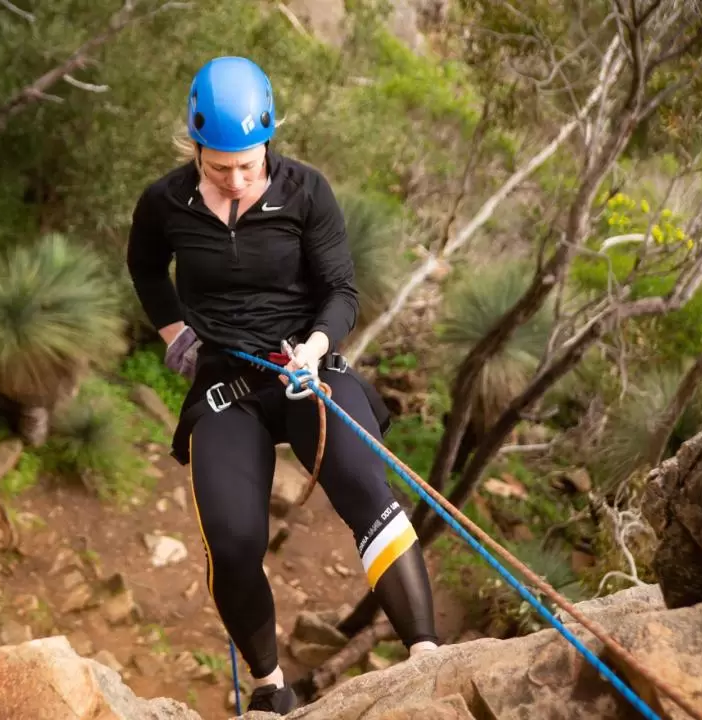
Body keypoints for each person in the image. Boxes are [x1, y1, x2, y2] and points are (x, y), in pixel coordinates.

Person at [126, 56, 439, 714]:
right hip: (224, 385)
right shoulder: (164, 203)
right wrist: (174, 334)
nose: (237, 179)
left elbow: (341, 292)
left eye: (248, 163)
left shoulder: (305, 193)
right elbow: (147, 270)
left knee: (365, 489)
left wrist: (318, 347)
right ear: (194, 148)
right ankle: (270, 687)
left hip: (306, 367)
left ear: (269, 139)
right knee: (234, 540)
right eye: (219, 167)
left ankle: (426, 656)